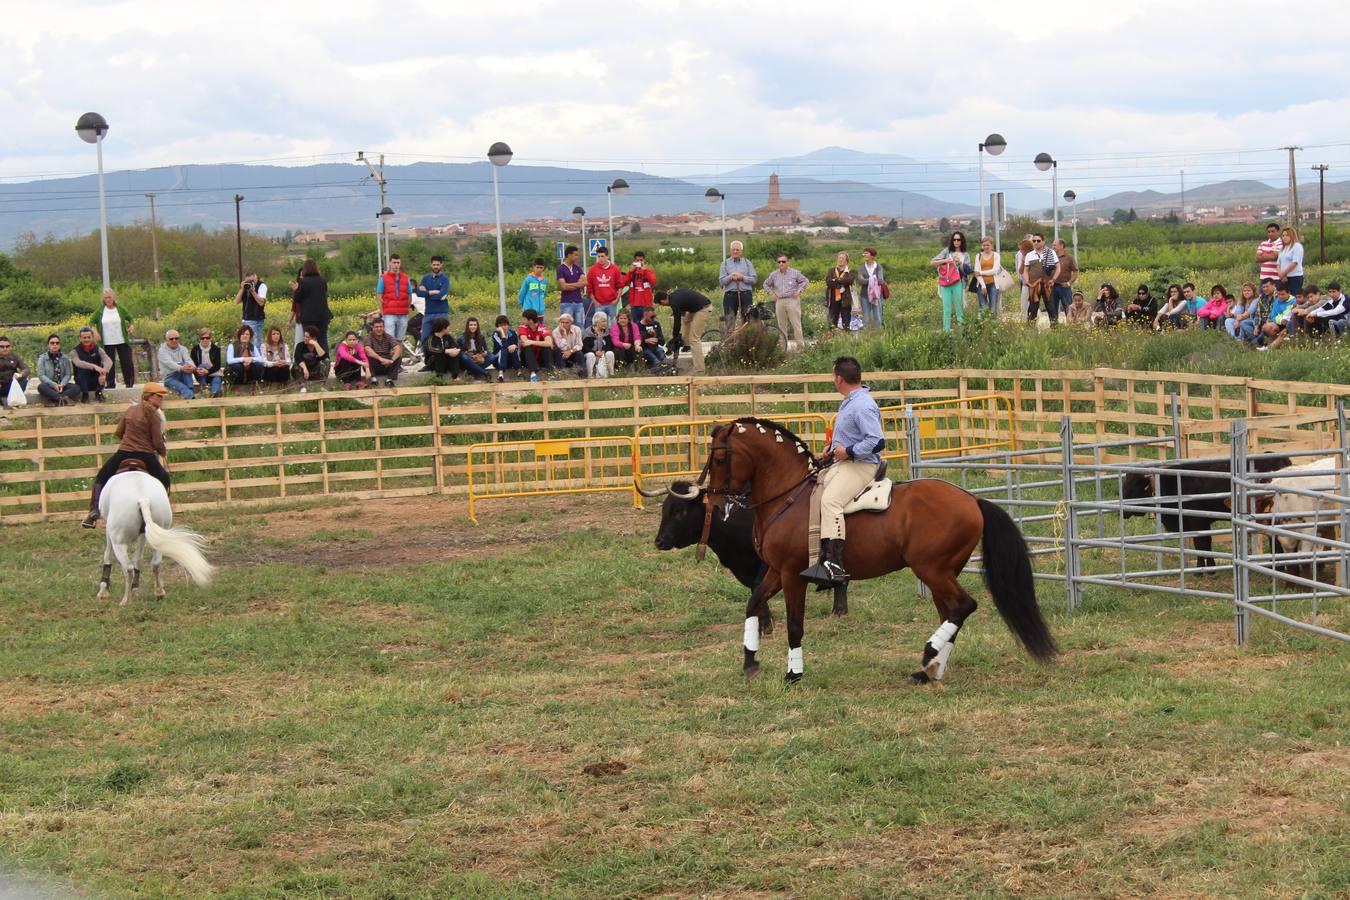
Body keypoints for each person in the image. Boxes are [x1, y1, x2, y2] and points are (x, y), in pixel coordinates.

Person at [799, 356, 884, 587]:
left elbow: (877, 442)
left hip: (861, 465)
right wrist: (831, 449)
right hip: (844, 462)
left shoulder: (862, 405)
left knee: (830, 501)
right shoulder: (850, 401)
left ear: (838, 379)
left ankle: (834, 565)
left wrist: (848, 451)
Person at [81, 381, 171, 528]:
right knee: (164, 478)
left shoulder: (130, 410)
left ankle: (93, 512)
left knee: (102, 476)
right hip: (145, 455)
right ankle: (162, 510)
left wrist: (130, 441)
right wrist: (162, 451)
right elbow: (157, 441)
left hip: (124, 453)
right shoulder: (154, 416)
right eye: (159, 396)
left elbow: (118, 432)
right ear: (149, 397)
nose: (161, 399)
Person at [655, 288, 712, 375]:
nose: (663, 306)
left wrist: (675, 336)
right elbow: (684, 305)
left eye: (661, 304)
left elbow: (677, 321)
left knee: (694, 339)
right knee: (685, 320)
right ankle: (686, 344)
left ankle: (699, 370)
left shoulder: (674, 303)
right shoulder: (674, 295)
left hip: (703, 309)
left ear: (662, 301)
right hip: (696, 308)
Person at [88, 288, 136, 388]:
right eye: (106, 298)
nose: (108, 300)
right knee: (109, 364)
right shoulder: (100, 310)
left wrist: (131, 326)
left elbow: (131, 318)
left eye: (109, 297)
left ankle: (129, 383)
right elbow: (91, 321)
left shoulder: (120, 308)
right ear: (103, 299)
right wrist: (95, 332)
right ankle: (110, 384)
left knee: (127, 362)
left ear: (114, 298)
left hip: (122, 340)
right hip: (107, 342)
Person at [762, 254, 809, 346]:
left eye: (783, 261)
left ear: (788, 262)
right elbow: (765, 284)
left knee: (796, 324)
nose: (781, 263)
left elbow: (805, 281)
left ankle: (800, 347)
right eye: (779, 262)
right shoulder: (774, 274)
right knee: (781, 325)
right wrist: (771, 293)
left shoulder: (795, 273)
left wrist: (799, 290)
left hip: (792, 300)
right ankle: (783, 347)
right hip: (780, 301)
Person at [291, 259, 331, 356]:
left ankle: (311, 361)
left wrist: (295, 290)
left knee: (309, 340)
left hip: (308, 317)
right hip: (322, 316)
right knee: (323, 339)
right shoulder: (322, 281)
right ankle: (325, 361)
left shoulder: (303, 282)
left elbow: (297, 300)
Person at [931, 231, 970, 331]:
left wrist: (960, 263)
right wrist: (946, 260)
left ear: (962, 241)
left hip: (958, 283)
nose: (956, 241)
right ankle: (946, 332)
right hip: (946, 283)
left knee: (959, 308)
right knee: (946, 309)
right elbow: (932, 262)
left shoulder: (965, 254)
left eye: (958, 240)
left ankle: (961, 332)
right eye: (954, 239)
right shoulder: (947, 251)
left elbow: (966, 272)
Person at [718, 240, 758, 330]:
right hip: (730, 296)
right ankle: (730, 342)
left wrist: (742, 277)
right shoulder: (724, 264)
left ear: (741, 251)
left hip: (745, 295)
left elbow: (754, 279)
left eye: (737, 250)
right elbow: (721, 281)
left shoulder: (747, 263)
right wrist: (731, 277)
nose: (735, 251)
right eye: (733, 249)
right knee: (729, 321)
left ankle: (745, 342)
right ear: (730, 250)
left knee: (747, 320)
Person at [375, 253, 414, 341]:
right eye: (394, 262)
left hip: (403, 314)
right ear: (390, 263)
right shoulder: (383, 278)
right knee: (390, 340)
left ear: (400, 263)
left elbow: (409, 296)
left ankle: (398, 355)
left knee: (400, 340)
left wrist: (406, 308)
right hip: (389, 314)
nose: (396, 265)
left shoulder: (406, 278)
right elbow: (379, 297)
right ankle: (391, 355)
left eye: (398, 263)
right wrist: (382, 313)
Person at [35, 334, 81, 405]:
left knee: (76, 387)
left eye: (57, 343)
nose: (55, 345)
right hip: (49, 386)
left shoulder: (65, 358)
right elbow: (41, 375)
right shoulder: (42, 358)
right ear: (48, 345)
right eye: (52, 343)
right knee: (41, 387)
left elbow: (68, 374)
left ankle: (55, 399)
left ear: (59, 345)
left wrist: (61, 385)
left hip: (62, 385)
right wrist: (54, 385)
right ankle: (62, 398)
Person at [416, 255, 451, 347]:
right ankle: (428, 359)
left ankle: (443, 360)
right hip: (428, 313)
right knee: (424, 338)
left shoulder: (445, 279)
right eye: (434, 264)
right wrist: (431, 292)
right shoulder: (425, 278)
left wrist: (426, 293)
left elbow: (442, 295)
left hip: (441, 313)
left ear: (441, 265)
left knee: (443, 339)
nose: (436, 266)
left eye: (438, 264)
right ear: (431, 265)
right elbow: (418, 293)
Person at [71, 327, 112, 401]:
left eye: (89, 337)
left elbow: (108, 361)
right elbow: (77, 363)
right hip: (82, 381)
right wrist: (94, 366)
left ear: (92, 338)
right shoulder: (74, 351)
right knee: (82, 369)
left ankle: (99, 393)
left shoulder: (98, 349)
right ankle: (85, 395)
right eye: (84, 337)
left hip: (96, 380)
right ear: (80, 338)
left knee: (103, 367)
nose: (87, 339)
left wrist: (104, 372)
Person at [1021, 234, 1056, 323]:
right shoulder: (1029, 255)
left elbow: (1057, 267)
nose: (1036, 242)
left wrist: (1053, 279)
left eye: (1038, 241)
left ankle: (1055, 329)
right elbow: (1025, 270)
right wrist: (1027, 281)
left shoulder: (1050, 252)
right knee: (1032, 308)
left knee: (1051, 307)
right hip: (1034, 284)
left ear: (1043, 242)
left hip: (1047, 284)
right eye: (1034, 241)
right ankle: (1030, 330)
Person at [586, 247, 622, 327]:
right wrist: (595, 301)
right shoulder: (593, 269)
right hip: (599, 304)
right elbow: (589, 288)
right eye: (598, 256)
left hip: (611, 303)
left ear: (607, 257)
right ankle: (599, 339)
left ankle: (611, 339)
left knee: (612, 326)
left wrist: (617, 299)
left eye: (602, 256)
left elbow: (620, 286)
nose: (600, 259)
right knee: (599, 326)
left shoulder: (615, 269)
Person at [157, 329, 197, 399]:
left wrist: (193, 367)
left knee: (187, 365)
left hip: (182, 373)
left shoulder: (183, 349)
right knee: (182, 387)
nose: (174, 340)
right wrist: (181, 367)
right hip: (169, 377)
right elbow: (170, 363)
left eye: (176, 338)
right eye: (171, 339)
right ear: (167, 340)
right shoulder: (162, 351)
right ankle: (192, 397)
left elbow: (188, 359)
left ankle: (190, 394)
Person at [517, 309, 555, 381]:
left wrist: (532, 342)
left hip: (539, 357)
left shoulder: (542, 328)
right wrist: (536, 343)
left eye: (524, 319)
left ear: (530, 320)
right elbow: (525, 342)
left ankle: (551, 374)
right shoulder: (522, 327)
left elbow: (549, 343)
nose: (523, 320)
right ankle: (532, 373)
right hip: (526, 359)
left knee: (547, 348)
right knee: (528, 347)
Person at [364, 318, 403, 387]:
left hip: (387, 365)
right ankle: (373, 380)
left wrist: (391, 360)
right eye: (376, 327)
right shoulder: (368, 337)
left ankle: (389, 380)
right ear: (372, 327)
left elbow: (398, 348)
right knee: (365, 356)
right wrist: (380, 359)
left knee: (398, 356)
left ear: (383, 327)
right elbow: (367, 349)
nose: (379, 329)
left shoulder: (388, 336)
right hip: (374, 365)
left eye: (381, 326)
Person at [235, 271, 267, 352]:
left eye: (252, 281)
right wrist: (242, 288)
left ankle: (257, 361)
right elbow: (237, 301)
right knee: (245, 343)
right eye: (248, 281)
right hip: (246, 319)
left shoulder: (261, 286)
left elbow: (261, 302)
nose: (250, 283)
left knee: (256, 344)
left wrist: (253, 291)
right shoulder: (246, 287)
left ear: (256, 278)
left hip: (256, 319)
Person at [1258, 284, 1297, 350]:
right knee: (1266, 327)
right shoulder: (1276, 301)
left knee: (1283, 332)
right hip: (1279, 322)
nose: (1280, 296)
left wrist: (1282, 319)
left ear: (1288, 293)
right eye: (1279, 294)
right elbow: (1273, 316)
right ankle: (1274, 344)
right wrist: (1280, 320)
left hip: (1289, 323)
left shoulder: (1294, 301)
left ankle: (1270, 347)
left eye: (1282, 294)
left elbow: (1290, 314)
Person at [856, 247, 887, 328]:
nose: (864, 255)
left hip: (876, 296)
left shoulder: (878, 267)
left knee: (878, 317)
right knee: (865, 318)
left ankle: (879, 336)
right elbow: (860, 281)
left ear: (872, 256)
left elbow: (881, 281)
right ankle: (866, 336)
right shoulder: (861, 267)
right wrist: (873, 279)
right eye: (864, 253)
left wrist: (867, 279)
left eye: (866, 253)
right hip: (864, 296)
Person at [824, 251, 855, 334]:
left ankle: (846, 336)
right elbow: (828, 282)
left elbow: (849, 280)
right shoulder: (831, 270)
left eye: (842, 258)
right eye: (839, 258)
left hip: (845, 298)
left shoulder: (850, 271)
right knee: (832, 318)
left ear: (846, 260)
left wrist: (836, 279)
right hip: (833, 297)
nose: (840, 260)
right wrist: (841, 282)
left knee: (846, 318)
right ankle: (831, 335)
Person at [556, 246, 587, 327]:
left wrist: (569, 285)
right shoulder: (561, 269)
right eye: (575, 255)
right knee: (566, 326)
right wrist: (577, 285)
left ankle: (579, 340)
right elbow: (563, 287)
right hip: (566, 303)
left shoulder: (578, 268)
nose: (577, 257)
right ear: (569, 255)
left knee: (580, 326)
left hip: (578, 302)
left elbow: (585, 282)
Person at [1049, 239, 1078, 325]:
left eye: (1055, 245)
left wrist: (1069, 283)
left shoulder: (1069, 258)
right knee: (1052, 309)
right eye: (1052, 245)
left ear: (1061, 246)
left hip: (1064, 287)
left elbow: (1075, 271)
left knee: (1068, 308)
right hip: (1052, 287)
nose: (1052, 247)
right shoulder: (1050, 258)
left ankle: (1071, 327)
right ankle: (1054, 328)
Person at [191, 329, 224, 397]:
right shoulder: (195, 349)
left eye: (207, 338)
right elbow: (192, 364)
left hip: (214, 372)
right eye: (202, 338)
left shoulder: (216, 349)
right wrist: (197, 370)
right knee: (201, 365)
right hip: (201, 373)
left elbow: (217, 365)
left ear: (210, 338)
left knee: (216, 385)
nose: (205, 340)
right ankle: (204, 388)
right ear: (199, 339)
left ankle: (214, 394)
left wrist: (208, 371)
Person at [582, 311, 616, 378]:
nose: (605, 323)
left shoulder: (607, 332)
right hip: (592, 355)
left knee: (610, 353)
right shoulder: (587, 332)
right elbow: (585, 347)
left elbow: (609, 345)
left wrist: (604, 351)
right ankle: (590, 376)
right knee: (590, 355)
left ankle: (611, 375)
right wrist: (595, 352)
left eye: (606, 321)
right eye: (603, 321)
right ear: (596, 322)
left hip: (603, 355)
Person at [0, 335, 31, 407]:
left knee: (24, 380)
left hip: (10, 385)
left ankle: (14, 401)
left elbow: (26, 369)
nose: (5, 348)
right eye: (2, 347)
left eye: (7, 346)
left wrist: (20, 374)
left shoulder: (14, 356)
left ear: (10, 347)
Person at [974, 238, 1001, 316]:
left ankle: (992, 326)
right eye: (984, 245)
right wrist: (983, 285)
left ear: (992, 245)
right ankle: (983, 326)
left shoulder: (996, 255)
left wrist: (981, 272)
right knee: (982, 306)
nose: (986, 247)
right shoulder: (978, 256)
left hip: (993, 284)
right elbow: (976, 272)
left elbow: (995, 270)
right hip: (981, 285)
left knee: (993, 308)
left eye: (988, 245)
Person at [637, 306, 670, 372]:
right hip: (644, 348)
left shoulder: (656, 324)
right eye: (651, 317)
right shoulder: (638, 326)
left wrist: (655, 335)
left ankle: (668, 370)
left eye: (654, 317)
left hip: (655, 347)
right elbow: (635, 341)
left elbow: (662, 342)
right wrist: (646, 340)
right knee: (655, 360)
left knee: (662, 356)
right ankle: (659, 370)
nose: (653, 319)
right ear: (645, 315)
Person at [490, 314, 520, 382]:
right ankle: (500, 374)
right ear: (497, 327)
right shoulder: (496, 334)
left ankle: (519, 371)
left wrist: (515, 346)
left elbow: (518, 345)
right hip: (498, 361)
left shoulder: (513, 333)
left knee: (514, 349)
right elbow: (502, 346)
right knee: (503, 350)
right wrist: (503, 335)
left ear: (508, 325)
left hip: (511, 360)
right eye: (501, 325)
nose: (503, 327)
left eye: (505, 325)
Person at [1277, 227, 1304, 294]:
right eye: (1283, 236)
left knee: (1293, 298)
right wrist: (1281, 274)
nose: (1285, 237)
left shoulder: (1297, 246)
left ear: (1292, 236)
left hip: (1294, 277)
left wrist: (1283, 273)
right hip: (1283, 278)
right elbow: (1278, 264)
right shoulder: (1282, 248)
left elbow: (1294, 263)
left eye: (1287, 235)